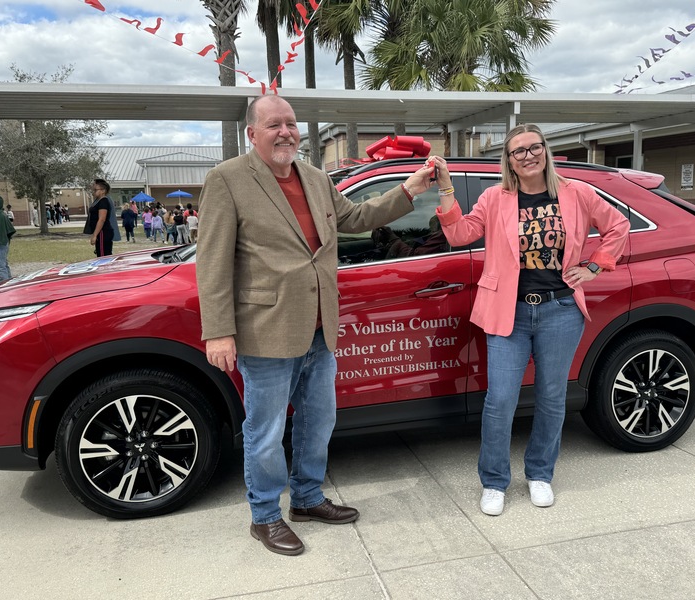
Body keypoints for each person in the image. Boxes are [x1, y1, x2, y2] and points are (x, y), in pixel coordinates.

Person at [196, 94, 435, 556]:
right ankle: (265, 516)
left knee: (318, 420)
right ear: (252, 133)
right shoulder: (227, 180)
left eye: (291, 123)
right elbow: (212, 262)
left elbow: (357, 217)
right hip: (266, 328)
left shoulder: (315, 177)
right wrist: (218, 330)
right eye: (274, 125)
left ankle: (306, 499)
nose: (286, 131)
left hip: (321, 326)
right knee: (264, 430)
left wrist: (409, 189)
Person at [432, 124, 629, 516]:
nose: (527, 156)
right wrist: (446, 189)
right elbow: (459, 234)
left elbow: (617, 226)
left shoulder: (576, 193)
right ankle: (494, 481)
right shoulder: (495, 198)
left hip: (560, 310)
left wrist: (594, 266)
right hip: (509, 312)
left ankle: (540, 473)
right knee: (500, 400)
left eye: (533, 147)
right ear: (508, 160)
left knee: (552, 397)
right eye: (517, 151)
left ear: (545, 150)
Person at [83, 179, 114, 257]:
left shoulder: (103, 201)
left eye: (95, 190)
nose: (94, 192)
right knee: (100, 254)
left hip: (103, 232)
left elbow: (102, 219)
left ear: (103, 190)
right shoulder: (98, 201)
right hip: (100, 232)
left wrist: (95, 235)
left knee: (103, 256)